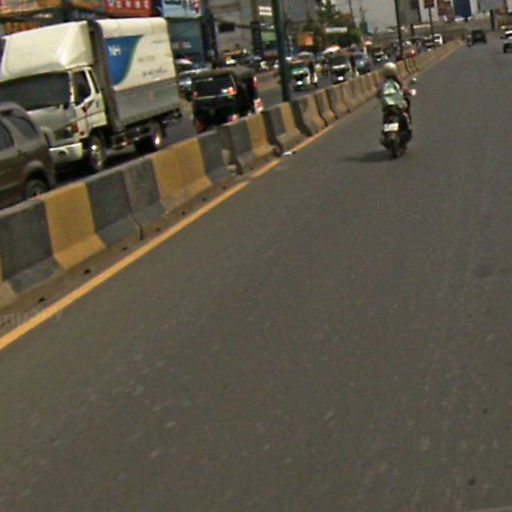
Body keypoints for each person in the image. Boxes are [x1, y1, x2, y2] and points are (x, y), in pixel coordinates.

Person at [378, 62, 412, 133]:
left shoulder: (383, 83)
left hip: (387, 107)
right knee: (406, 107)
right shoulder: (398, 81)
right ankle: (408, 125)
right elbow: (405, 89)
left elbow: (378, 93)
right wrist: (408, 92)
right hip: (397, 106)